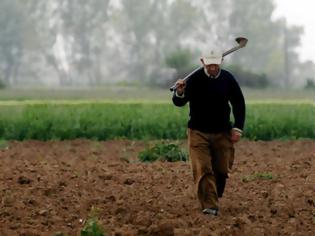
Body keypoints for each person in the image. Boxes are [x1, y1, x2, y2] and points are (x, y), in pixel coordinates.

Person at [172, 48, 245, 216]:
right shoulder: (193, 79)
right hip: (198, 132)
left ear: (220, 62)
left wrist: (238, 127)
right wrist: (180, 92)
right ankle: (210, 205)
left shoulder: (228, 79)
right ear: (203, 62)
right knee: (203, 169)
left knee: (221, 170)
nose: (213, 68)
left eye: (216, 65)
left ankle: (214, 193)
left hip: (222, 132)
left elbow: (239, 103)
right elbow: (178, 102)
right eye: (209, 64)